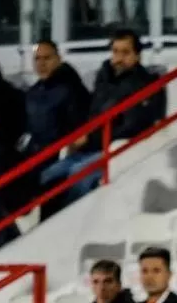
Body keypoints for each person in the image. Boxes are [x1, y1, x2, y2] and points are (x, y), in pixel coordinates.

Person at [39, 29, 166, 211]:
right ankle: (45, 230)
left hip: (117, 151)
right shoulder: (104, 78)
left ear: (137, 55)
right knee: (48, 175)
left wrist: (90, 138)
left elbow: (133, 126)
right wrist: (80, 136)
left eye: (125, 52)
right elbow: (91, 114)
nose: (119, 58)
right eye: (115, 52)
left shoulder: (145, 84)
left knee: (78, 174)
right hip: (91, 148)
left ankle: (72, 227)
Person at [24, 39, 91, 157]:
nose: (41, 63)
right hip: (35, 154)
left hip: (59, 153)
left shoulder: (72, 88)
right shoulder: (32, 92)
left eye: (46, 58)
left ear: (58, 59)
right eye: (37, 59)